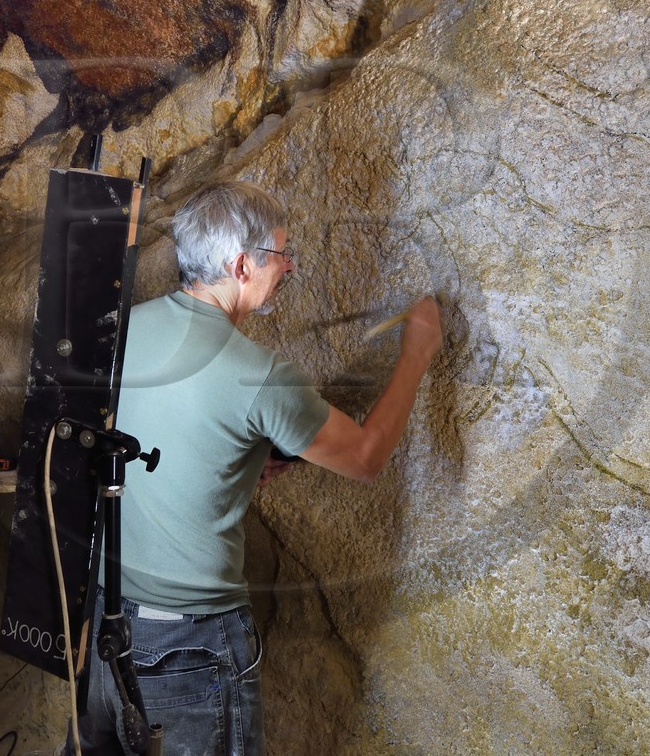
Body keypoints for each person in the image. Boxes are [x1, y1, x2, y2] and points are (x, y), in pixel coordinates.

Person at [73, 181, 443, 756]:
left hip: (105, 616)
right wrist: (417, 353)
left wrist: (245, 460)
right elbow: (367, 457)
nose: (289, 266)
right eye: (280, 253)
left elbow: (153, 436)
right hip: (190, 643)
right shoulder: (260, 374)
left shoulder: (121, 328)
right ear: (241, 264)